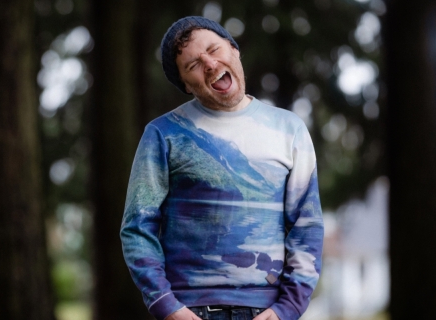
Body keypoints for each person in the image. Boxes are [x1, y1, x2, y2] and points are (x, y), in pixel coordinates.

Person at [121, 16, 324, 320]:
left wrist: (288, 307)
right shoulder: (163, 134)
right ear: (186, 86)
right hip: (189, 309)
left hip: (266, 310)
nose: (210, 64)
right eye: (193, 65)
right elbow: (137, 228)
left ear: (234, 50)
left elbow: (307, 227)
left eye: (214, 49)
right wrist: (166, 305)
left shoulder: (290, 129)